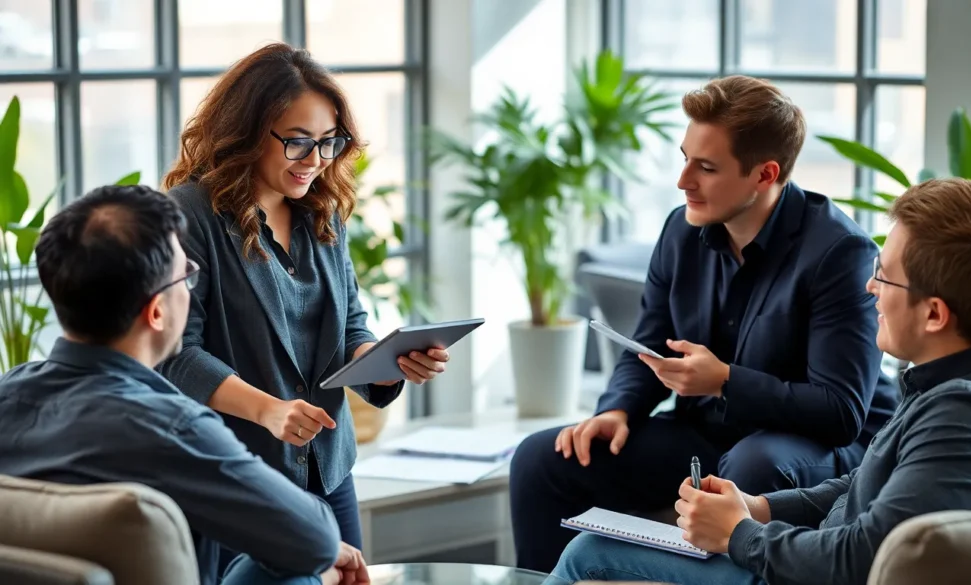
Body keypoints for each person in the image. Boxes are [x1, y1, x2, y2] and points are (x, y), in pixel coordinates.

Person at [510, 75, 900, 572]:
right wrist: (619, 410)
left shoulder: (839, 253)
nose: (683, 180)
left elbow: (840, 410)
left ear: (765, 174)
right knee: (543, 459)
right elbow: (647, 344)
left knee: (752, 464)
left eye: (706, 167)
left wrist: (725, 381)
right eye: (685, 157)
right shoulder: (681, 229)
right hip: (710, 434)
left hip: (820, 445)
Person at [552, 177, 971, 585]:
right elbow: (866, 487)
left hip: (805, 571)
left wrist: (741, 535)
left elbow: (862, 560)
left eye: (884, 275)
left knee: (588, 555)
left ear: (935, 314)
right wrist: (760, 508)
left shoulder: (963, 417)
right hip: (801, 548)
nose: (870, 287)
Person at [157, 42, 448, 573]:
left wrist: (385, 365)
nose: (315, 161)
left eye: (328, 143)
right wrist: (269, 411)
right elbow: (176, 355)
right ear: (246, 132)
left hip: (328, 466)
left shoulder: (323, 213)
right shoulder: (190, 216)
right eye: (297, 142)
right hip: (237, 474)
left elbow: (349, 325)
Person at [0, 184, 368, 585]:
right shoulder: (173, 428)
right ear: (157, 311)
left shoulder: (8, 394)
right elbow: (314, 539)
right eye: (187, 276)